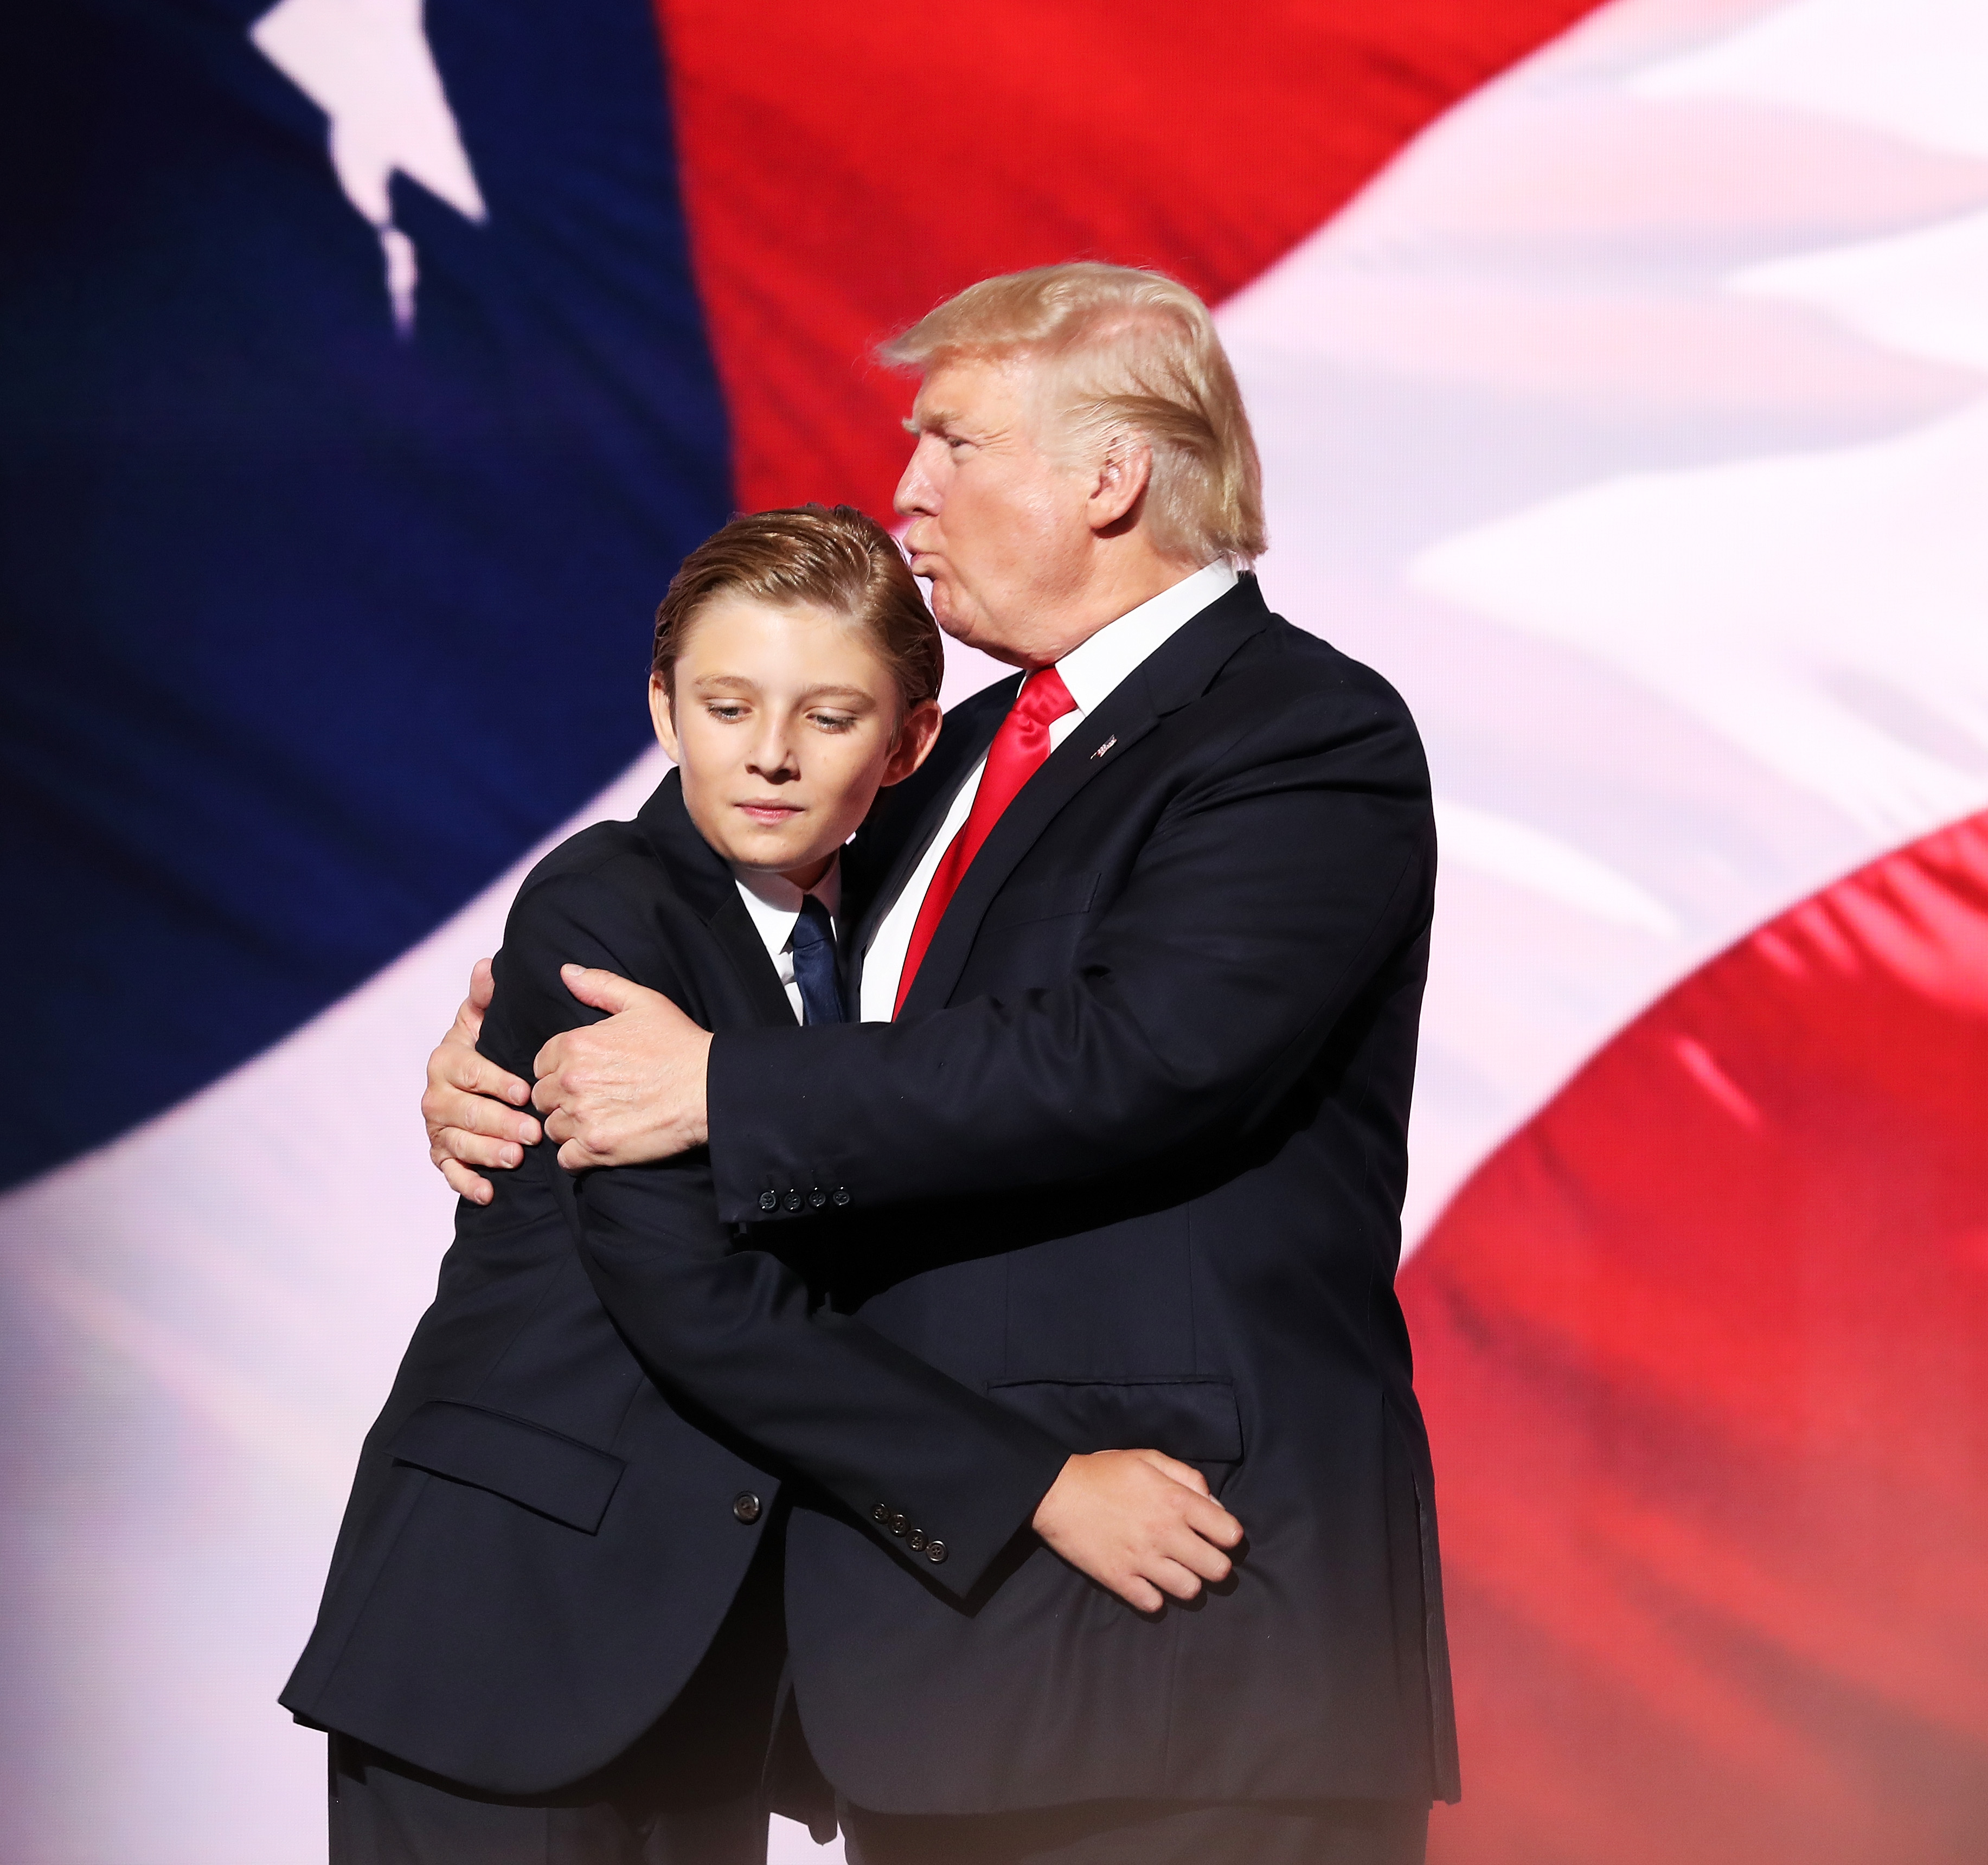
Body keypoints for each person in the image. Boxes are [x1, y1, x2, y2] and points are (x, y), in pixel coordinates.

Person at [424, 263, 1454, 1864]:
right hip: (936, 1647)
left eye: (953, 442)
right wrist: (503, 1036)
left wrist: (720, 1095)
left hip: (1181, 1626)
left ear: (1107, 474)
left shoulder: (1296, 734)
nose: (905, 488)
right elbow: (712, 932)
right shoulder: (944, 756)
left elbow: (1147, 1053)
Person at [288, 504, 1245, 1864]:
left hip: (710, 1659)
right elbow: (689, 1294)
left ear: (911, 742)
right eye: (728, 705)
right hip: (502, 1636)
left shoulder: (900, 936)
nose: (772, 755)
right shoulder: (603, 907)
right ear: (665, 712)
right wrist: (1037, 1485)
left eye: (830, 716)